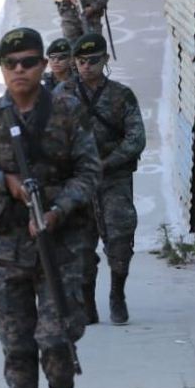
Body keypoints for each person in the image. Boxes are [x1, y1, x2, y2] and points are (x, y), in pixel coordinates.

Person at [0, 28, 100, 388]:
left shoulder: (67, 112)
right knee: (15, 344)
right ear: (2, 69)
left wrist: (56, 210)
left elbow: (89, 172)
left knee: (55, 340)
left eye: (29, 62)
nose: (20, 70)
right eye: (11, 63)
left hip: (60, 244)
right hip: (6, 245)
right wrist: (4, 182)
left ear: (42, 65)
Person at [55, 34, 145, 325]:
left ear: (105, 60)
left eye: (93, 60)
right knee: (79, 247)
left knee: (120, 238)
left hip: (113, 178)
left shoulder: (121, 95)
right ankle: (87, 301)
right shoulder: (62, 94)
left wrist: (107, 162)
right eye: (81, 61)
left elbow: (136, 138)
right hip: (77, 183)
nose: (87, 66)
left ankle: (117, 294)